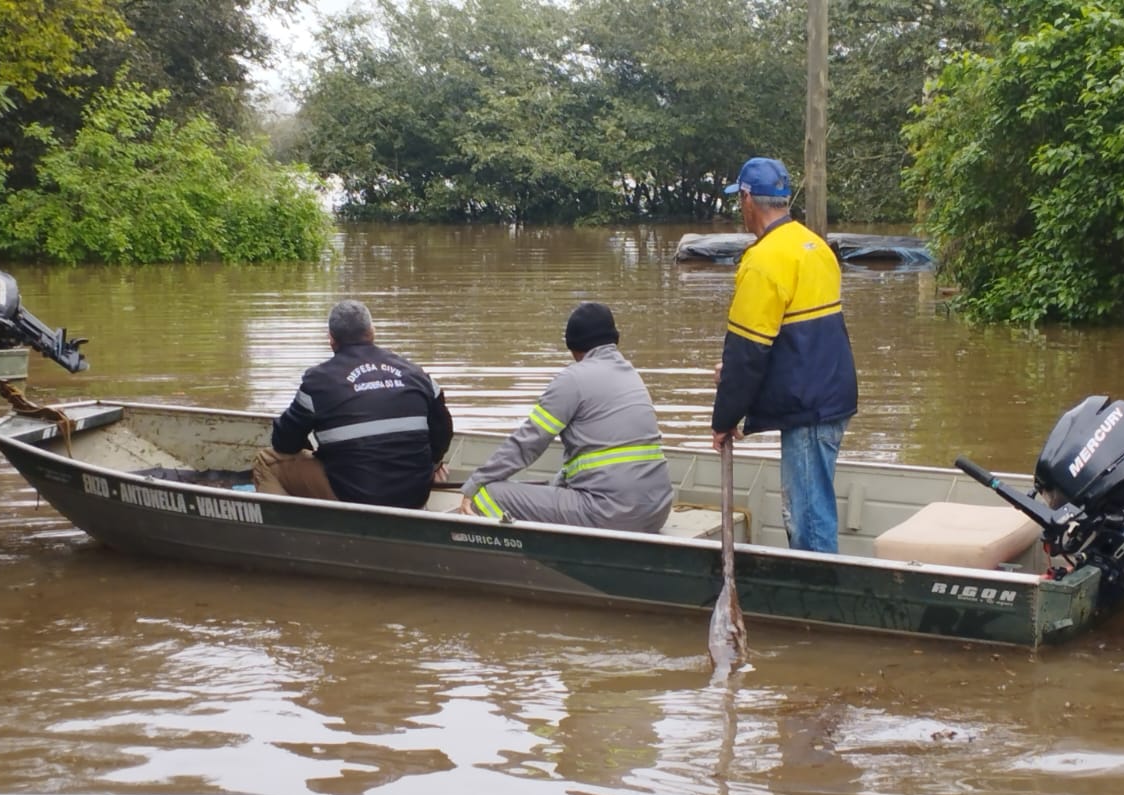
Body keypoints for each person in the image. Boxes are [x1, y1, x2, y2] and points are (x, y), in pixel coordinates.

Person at [711, 157, 858, 554]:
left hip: (808, 406)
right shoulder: (814, 246)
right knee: (815, 507)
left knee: (808, 520)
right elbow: (800, 338)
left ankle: (818, 601)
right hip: (832, 394)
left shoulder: (763, 260)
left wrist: (724, 419)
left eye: (738, 200)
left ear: (746, 199)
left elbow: (747, 351)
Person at [458, 302, 673, 533]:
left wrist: (474, 484)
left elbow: (527, 444)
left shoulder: (572, 380)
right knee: (560, 480)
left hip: (612, 514)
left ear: (573, 347)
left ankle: (526, 559)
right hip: (656, 511)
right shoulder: (632, 377)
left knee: (487, 496)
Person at [255, 300, 453, 508]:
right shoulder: (417, 374)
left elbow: (284, 443)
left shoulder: (318, 381)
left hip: (355, 496)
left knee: (265, 461)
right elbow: (443, 432)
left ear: (331, 339)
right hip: (415, 494)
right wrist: (432, 465)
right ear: (372, 331)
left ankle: (291, 530)